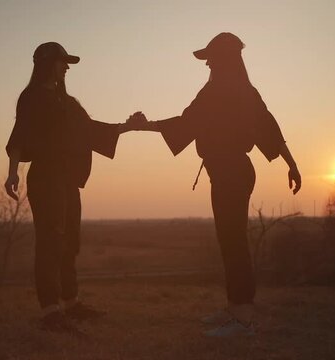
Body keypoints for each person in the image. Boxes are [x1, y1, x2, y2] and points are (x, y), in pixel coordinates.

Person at [128, 32, 301, 337]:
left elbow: (189, 123)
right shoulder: (239, 90)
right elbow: (269, 129)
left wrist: (145, 126)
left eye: (210, 58)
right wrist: (291, 164)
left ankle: (243, 319)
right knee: (229, 241)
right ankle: (235, 308)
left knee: (234, 243)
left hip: (231, 172)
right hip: (228, 171)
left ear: (223, 59)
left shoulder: (223, 91)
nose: (206, 64)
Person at [4, 42, 138, 332]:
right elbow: (19, 137)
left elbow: (92, 130)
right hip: (45, 178)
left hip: (67, 179)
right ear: (47, 63)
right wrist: (12, 173)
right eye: (62, 62)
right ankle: (50, 310)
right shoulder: (31, 98)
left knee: (69, 242)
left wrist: (128, 127)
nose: (66, 68)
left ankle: (71, 302)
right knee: (50, 241)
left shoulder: (70, 103)